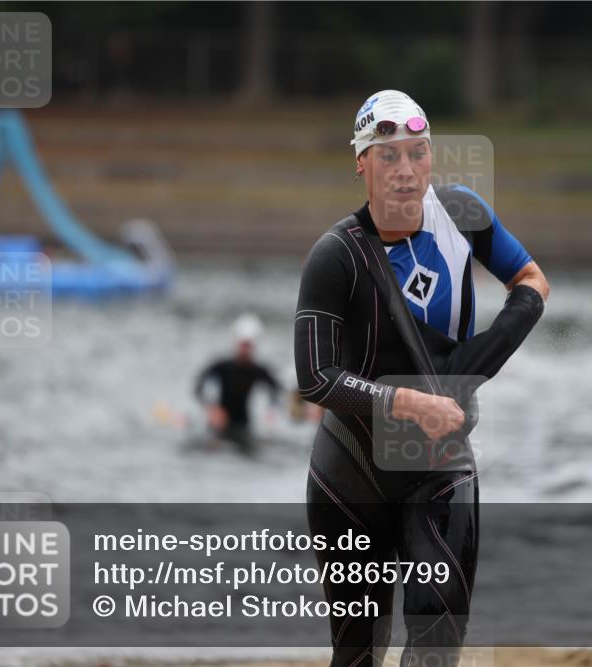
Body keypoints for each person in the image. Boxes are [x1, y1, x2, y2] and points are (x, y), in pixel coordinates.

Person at [294, 90, 549, 665]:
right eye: (388, 156)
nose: (405, 170)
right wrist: (409, 401)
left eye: (418, 152)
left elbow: (531, 281)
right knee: (359, 653)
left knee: (437, 647)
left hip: (440, 466)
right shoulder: (335, 255)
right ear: (361, 162)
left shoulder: (462, 215)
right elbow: (314, 377)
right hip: (349, 472)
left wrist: (465, 373)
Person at [194, 314, 281, 454]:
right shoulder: (222, 366)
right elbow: (198, 387)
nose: (245, 349)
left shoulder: (258, 370)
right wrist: (212, 409)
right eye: (243, 345)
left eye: (249, 345)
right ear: (235, 342)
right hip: (219, 423)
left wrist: (270, 412)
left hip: (243, 424)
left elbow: (276, 390)